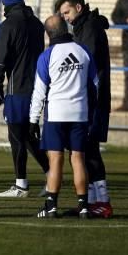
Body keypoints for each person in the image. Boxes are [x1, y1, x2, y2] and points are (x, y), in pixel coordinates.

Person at [29, 15, 98, 219]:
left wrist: (33, 120)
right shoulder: (83, 51)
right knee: (78, 159)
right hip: (80, 113)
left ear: (48, 34)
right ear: (66, 28)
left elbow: (39, 91)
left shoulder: (47, 55)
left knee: (55, 160)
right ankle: (84, 206)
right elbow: (95, 84)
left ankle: (51, 207)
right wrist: (91, 111)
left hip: (56, 114)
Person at [0, 0, 50, 198]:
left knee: (17, 137)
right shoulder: (37, 24)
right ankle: (51, 174)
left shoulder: (8, 25)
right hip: (37, 87)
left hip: (17, 89)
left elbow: (0, 60)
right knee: (30, 136)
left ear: (5, 1)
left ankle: (21, 185)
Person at [57, 0, 113, 218]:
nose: (66, 18)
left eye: (67, 12)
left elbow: (84, 62)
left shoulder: (89, 28)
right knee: (82, 149)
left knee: (89, 151)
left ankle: (103, 202)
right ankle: (89, 203)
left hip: (93, 99)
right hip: (87, 98)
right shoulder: (84, 27)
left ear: (78, 8)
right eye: (62, 15)